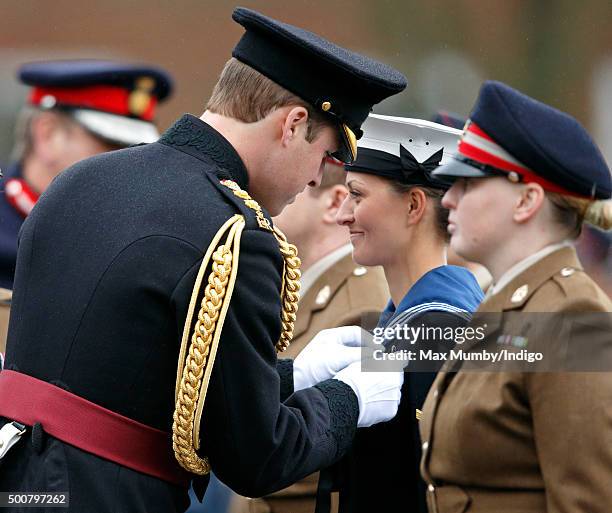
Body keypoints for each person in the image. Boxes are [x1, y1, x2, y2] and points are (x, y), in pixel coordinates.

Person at [0, 7, 407, 513]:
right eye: (327, 157)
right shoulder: (236, 235)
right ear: (293, 123)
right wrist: (346, 400)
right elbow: (255, 458)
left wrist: (293, 375)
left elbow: (130, 374)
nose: (316, 179)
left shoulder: (79, 181)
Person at [420, 81, 612, 513]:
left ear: (527, 200)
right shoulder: (512, 304)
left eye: (468, 184)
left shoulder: (571, 318)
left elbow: (588, 502)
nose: (448, 199)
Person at [316, 114, 484, 513]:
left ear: (413, 205)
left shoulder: (437, 331)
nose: (344, 214)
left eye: (357, 195)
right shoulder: (403, 323)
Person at [231, 158, 390, 513]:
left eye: (296, 188)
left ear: (334, 204)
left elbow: (337, 450)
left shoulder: (363, 304)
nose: (255, 199)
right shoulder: (295, 284)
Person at [0, 59, 174, 290]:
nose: (132, 164)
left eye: (140, 151)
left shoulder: (144, 242)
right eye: (112, 147)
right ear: (47, 135)